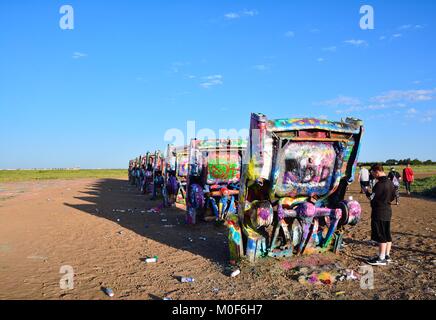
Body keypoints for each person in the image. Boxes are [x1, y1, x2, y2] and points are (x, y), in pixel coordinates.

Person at [364, 164, 395, 266]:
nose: (372, 175)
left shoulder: (379, 184)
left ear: (377, 171)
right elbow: (392, 197)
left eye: (372, 173)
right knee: (387, 234)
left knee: (381, 235)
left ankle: (381, 258)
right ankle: (386, 255)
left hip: (379, 212)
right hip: (387, 210)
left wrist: (366, 191)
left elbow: (371, 198)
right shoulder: (391, 182)